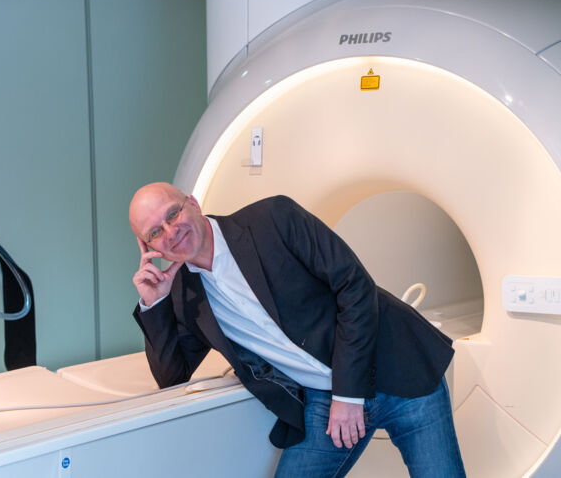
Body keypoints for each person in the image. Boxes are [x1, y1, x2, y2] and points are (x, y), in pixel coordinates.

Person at [129, 182, 465, 477]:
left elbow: (355, 287)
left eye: (172, 215)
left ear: (193, 203)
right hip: (323, 400)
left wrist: (348, 394)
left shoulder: (272, 219)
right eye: (154, 232)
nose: (170, 232)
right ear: (149, 248)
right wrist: (154, 304)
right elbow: (171, 377)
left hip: (398, 370)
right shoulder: (185, 295)